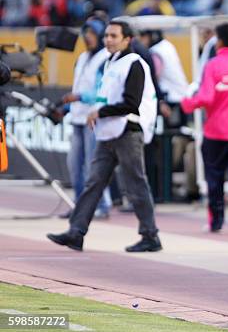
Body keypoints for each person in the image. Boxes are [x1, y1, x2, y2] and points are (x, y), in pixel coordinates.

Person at [47, 21, 161, 253]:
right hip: (108, 131)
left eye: (113, 36)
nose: (107, 40)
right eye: (106, 36)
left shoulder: (134, 63)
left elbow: (131, 103)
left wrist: (100, 112)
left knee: (136, 185)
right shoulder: (111, 62)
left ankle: (150, 236)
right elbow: (104, 97)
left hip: (128, 130)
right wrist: (98, 112)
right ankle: (76, 232)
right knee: (93, 182)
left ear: (127, 39)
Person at [181, 23, 228, 235]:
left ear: (219, 41)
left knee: (214, 177)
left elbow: (206, 97)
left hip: (216, 132)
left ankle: (216, 222)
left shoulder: (212, 65)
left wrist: (187, 103)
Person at [62, 16, 113, 219]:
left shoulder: (104, 59)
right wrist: (68, 107)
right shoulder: (82, 58)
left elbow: (101, 90)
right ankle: (80, 205)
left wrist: (80, 97)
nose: (88, 38)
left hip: (93, 119)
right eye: (86, 34)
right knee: (74, 165)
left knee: (93, 164)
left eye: (92, 34)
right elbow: (78, 85)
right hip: (77, 117)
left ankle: (102, 204)